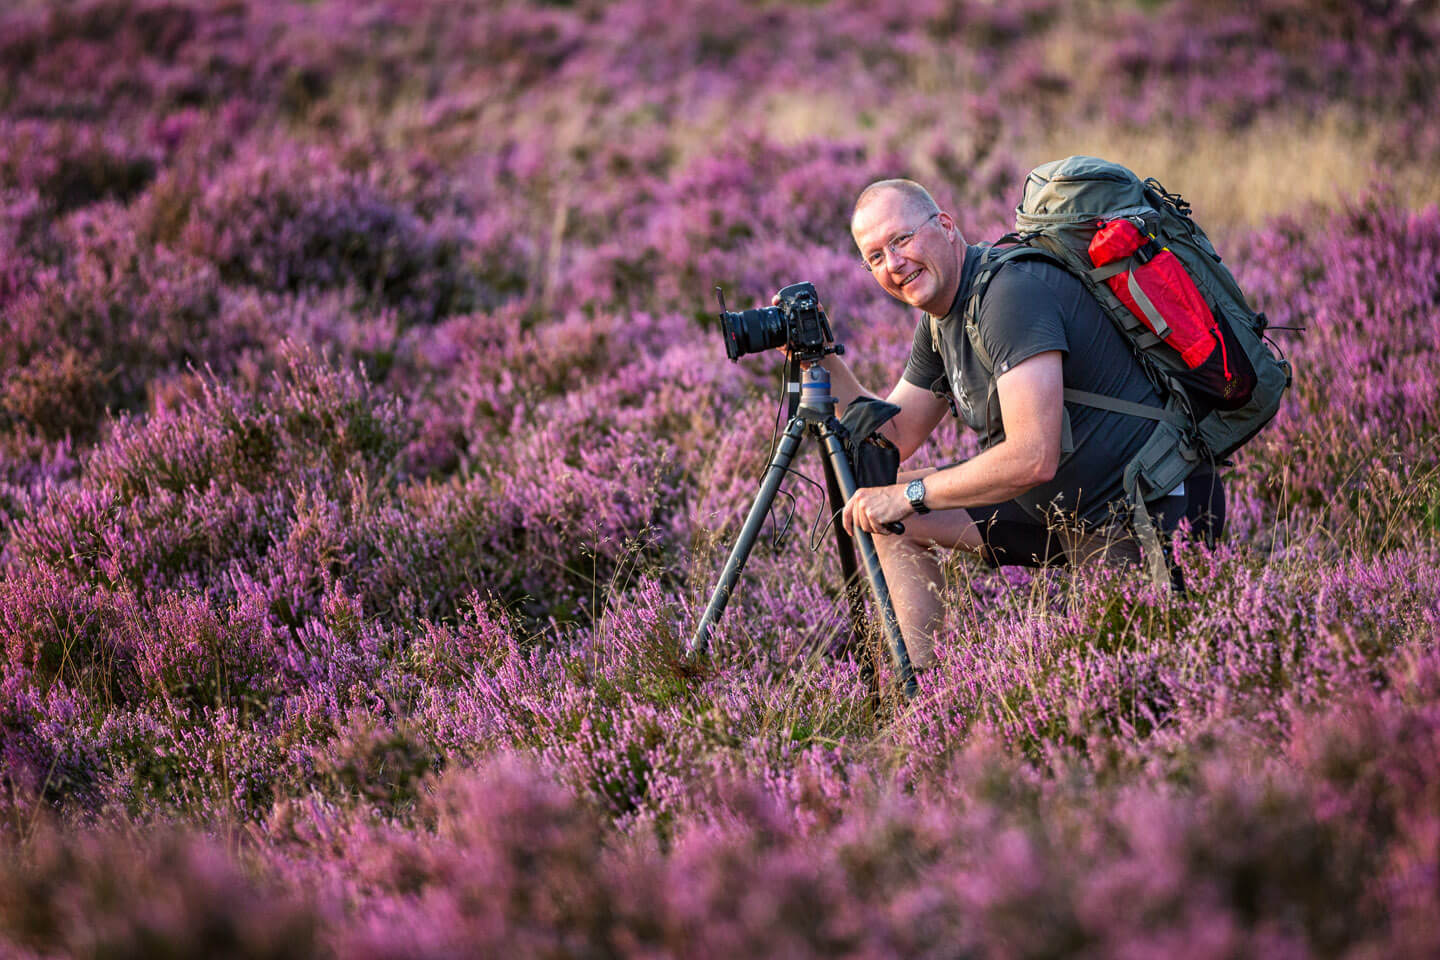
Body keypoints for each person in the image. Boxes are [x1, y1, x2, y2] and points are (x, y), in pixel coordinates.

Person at [814, 179, 1224, 667]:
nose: (894, 264)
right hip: (1062, 513)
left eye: (901, 240)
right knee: (882, 511)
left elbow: (1033, 457)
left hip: (1141, 513)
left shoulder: (1008, 296)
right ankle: (920, 697)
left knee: (1140, 682)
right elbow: (892, 439)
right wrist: (818, 360)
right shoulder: (942, 319)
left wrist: (909, 495)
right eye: (876, 256)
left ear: (945, 226)